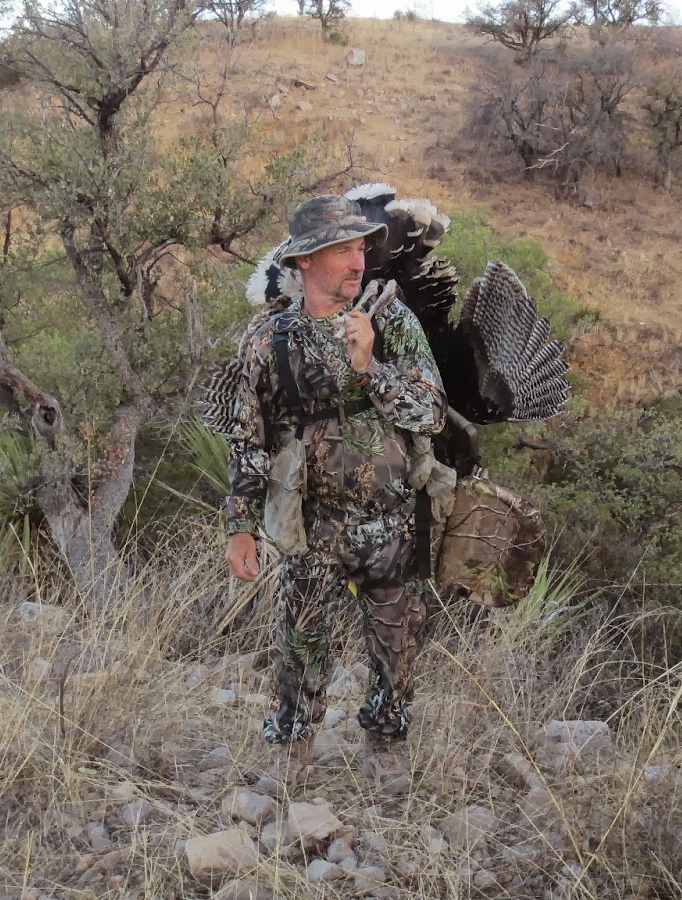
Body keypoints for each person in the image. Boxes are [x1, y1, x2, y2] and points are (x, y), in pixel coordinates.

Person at [219, 194, 446, 790]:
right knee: (300, 639)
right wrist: (239, 526)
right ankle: (292, 747)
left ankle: (386, 744)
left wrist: (370, 367)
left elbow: (431, 414)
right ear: (304, 261)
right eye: (342, 250)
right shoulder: (269, 337)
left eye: (361, 248)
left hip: (391, 520)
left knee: (398, 638)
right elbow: (248, 438)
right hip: (311, 522)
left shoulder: (392, 322)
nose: (358, 262)